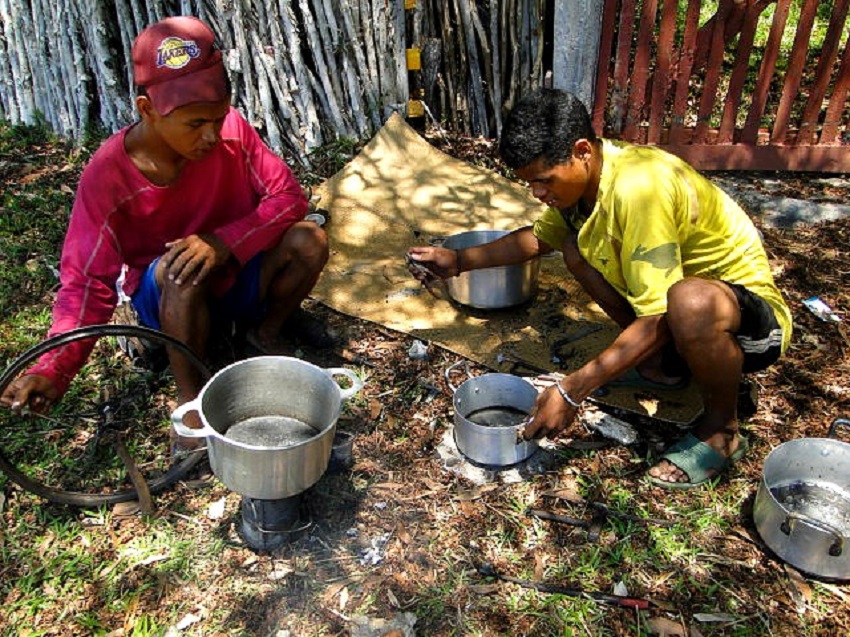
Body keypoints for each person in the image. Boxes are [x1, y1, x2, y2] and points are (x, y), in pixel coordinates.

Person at [408, 88, 791, 489]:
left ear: (581, 151)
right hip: (676, 321)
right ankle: (658, 365)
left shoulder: (641, 188)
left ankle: (721, 429)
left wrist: (573, 390)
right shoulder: (583, 187)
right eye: (529, 184)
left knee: (689, 301)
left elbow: (662, 311)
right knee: (575, 251)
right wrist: (458, 262)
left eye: (543, 180)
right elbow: (538, 240)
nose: (537, 194)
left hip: (750, 327)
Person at [0, 16, 333, 438]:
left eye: (218, 117)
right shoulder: (107, 177)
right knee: (181, 268)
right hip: (168, 297)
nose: (212, 134)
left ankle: (263, 334)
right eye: (195, 124)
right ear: (148, 110)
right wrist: (55, 368)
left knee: (310, 240)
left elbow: (287, 197)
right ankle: (191, 408)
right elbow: (85, 283)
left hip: (234, 275)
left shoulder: (232, 131)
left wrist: (224, 241)